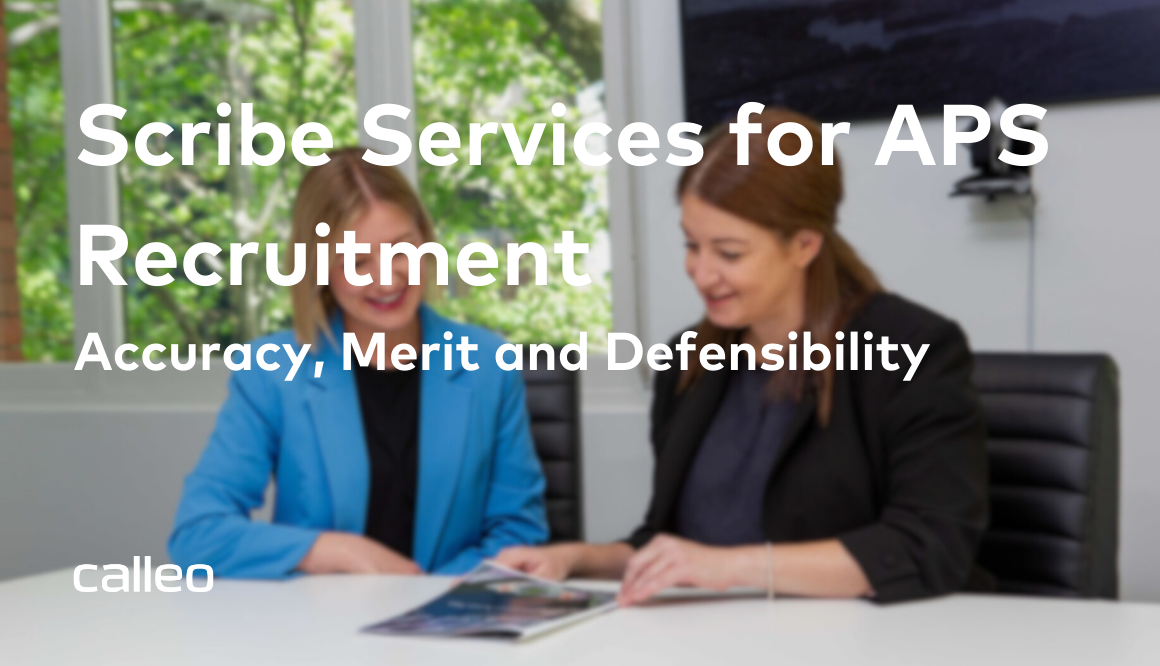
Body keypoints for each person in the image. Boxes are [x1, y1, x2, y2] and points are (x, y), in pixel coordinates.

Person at [498, 109, 989, 605]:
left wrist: (733, 566)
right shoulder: (687, 362)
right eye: (692, 245)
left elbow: (927, 547)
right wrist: (576, 559)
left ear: (803, 245)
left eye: (729, 253)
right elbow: (667, 543)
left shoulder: (913, 348)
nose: (702, 273)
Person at [169, 148, 548, 578]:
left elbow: (518, 532)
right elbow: (197, 536)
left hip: (453, 624)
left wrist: (427, 597)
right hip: (318, 631)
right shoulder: (271, 372)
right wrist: (334, 551)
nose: (387, 279)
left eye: (400, 250)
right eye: (356, 262)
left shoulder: (488, 365)